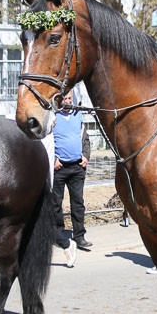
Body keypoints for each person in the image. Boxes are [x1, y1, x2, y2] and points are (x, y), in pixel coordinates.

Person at [51, 92, 92, 251]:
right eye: (64, 99)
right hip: (59, 168)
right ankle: (58, 236)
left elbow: (85, 137)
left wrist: (86, 156)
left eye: (69, 99)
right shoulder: (53, 117)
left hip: (77, 167)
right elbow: (46, 141)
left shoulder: (78, 114)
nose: (67, 102)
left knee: (78, 203)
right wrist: (54, 158)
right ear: (58, 100)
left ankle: (79, 236)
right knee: (55, 204)